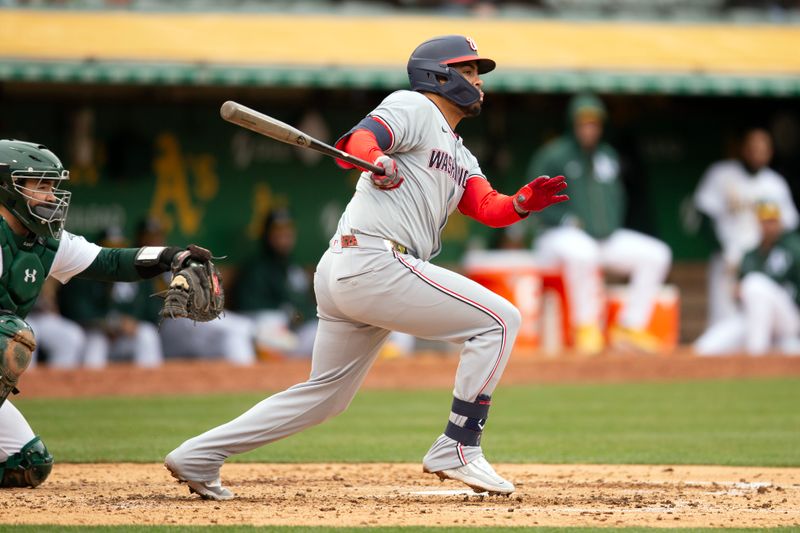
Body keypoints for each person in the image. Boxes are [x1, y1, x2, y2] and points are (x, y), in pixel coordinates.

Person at [164, 35, 568, 500]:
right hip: (375, 259)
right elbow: (362, 138)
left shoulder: (459, 152)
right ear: (440, 75)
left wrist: (520, 202)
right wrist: (375, 159)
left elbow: (486, 205)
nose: (478, 82)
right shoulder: (414, 106)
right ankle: (459, 445)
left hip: (354, 269)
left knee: (326, 396)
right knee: (501, 320)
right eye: (469, 71)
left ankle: (198, 454)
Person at [0, 139, 217, 488]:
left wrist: (172, 257)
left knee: (28, 464)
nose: (52, 197)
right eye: (40, 186)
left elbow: (110, 261)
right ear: (7, 186)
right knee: (9, 333)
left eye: (53, 186)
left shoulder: (43, 241)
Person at [527, 93, 672, 354]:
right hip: (555, 236)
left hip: (599, 238)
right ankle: (586, 327)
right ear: (573, 123)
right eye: (583, 122)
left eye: (594, 123)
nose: (589, 128)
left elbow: (618, 197)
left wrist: (608, 225)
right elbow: (532, 199)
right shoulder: (554, 155)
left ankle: (630, 327)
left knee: (657, 254)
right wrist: (565, 219)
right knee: (583, 252)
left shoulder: (607, 155)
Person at [693, 127, 798, 327]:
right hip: (728, 258)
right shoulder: (721, 173)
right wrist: (721, 250)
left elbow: (788, 225)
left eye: (762, 148)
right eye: (752, 147)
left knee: (757, 317)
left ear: (770, 152)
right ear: (743, 148)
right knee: (722, 319)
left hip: (760, 261)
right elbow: (704, 216)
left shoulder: (775, 184)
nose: (757, 153)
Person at [694, 201, 800, 356]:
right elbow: (740, 297)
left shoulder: (793, 248)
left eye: (772, 221)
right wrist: (736, 292)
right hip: (754, 320)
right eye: (765, 221)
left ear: (780, 223)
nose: (769, 226)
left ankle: (756, 356)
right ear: (758, 223)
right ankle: (766, 348)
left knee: (754, 284)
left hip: (788, 319)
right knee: (705, 347)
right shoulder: (750, 255)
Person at [57, 226, 164, 368]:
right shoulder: (84, 275)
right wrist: (111, 323)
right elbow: (76, 311)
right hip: (97, 336)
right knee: (95, 345)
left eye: (119, 248)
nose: (114, 253)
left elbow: (151, 311)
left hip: (127, 338)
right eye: (109, 248)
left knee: (147, 335)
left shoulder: (137, 274)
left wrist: (133, 322)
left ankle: (150, 386)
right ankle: (92, 387)